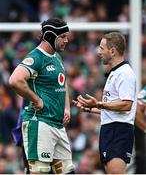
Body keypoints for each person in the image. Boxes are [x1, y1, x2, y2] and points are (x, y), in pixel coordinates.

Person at [9, 18, 74, 174]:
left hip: (57, 124)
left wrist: (66, 108)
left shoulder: (56, 57)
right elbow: (15, 80)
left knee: (68, 172)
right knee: (40, 172)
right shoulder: (36, 57)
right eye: (63, 36)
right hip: (40, 123)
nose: (67, 40)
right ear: (51, 36)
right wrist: (36, 99)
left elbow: (62, 82)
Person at [73, 32, 137, 174]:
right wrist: (89, 109)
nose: (98, 51)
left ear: (113, 51)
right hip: (109, 130)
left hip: (118, 131)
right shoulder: (114, 73)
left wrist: (98, 104)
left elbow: (127, 105)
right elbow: (113, 108)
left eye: (102, 48)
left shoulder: (125, 73)